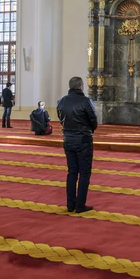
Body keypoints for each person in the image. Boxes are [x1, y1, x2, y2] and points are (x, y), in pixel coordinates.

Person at [57, 76, 98, 213]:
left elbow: (61, 118)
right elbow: (93, 120)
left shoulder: (62, 101)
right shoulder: (86, 101)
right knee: (84, 173)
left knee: (72, 172)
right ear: (81, 86)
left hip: (67, 140)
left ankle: (70, 205)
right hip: (83, 141)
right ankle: (80, 205)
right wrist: (88, 131)